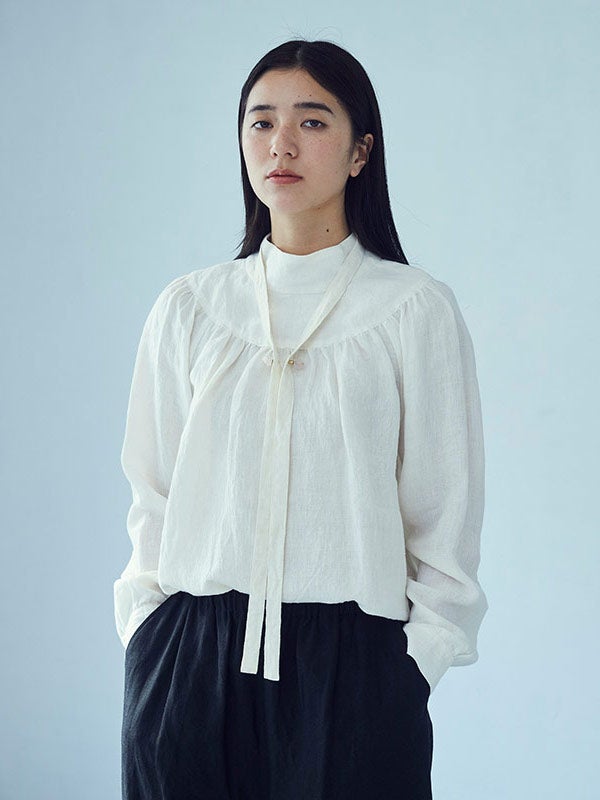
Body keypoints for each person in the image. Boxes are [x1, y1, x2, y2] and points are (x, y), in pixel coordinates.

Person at [114, 38, 488, 800]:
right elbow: (152, 493)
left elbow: (444, 518)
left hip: (353, 672)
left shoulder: (413, 310)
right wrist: (148, 633)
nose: (280, 144)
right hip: (189, 663)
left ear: (360, 152)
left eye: (312, 122)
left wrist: (407, 669)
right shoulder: (190, 308)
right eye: (261, 122)